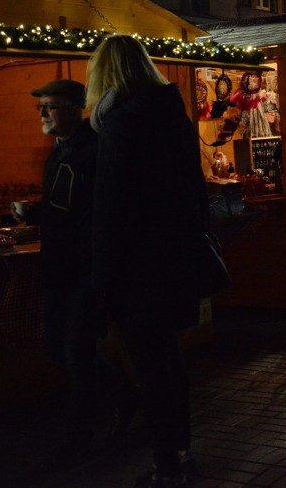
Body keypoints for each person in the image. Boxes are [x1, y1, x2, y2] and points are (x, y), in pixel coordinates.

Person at [87, 34, 206, 488]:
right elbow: (195, 192)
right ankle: (179, 450)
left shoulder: (119, 125)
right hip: (174, 260)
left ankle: (166, 466)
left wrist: (103, 281)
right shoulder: (170, 116)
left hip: (137, 268)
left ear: (104, 75)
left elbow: (111, 210)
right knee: (170, 362)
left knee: (151, 367)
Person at [29, 79, 104, 469]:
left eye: (51, 106)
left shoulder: (92, 151)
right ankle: (125, 395)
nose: (43, 113)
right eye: (41, 106)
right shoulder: (58, 151)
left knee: (76, 351)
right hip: (59, 268)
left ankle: (81, 437)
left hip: (84, 271)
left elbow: (95, 215)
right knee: (58, 347)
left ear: (76, 108)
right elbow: (64, 207)